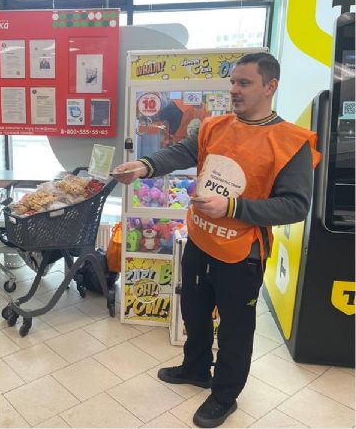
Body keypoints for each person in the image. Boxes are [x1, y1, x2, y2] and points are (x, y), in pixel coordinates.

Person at [112, 52, 320, 428]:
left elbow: (295, 206)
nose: (234, 90)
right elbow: (183, 151)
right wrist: (144, 166)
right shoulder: (214, 126)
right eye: (233, 82)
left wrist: (232, 207)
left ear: (270, 86)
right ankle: (195, 369)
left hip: (242, 255)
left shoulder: (292, 142)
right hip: (199, 241)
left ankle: (224, 396)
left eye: (245, 83)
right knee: (194, 312)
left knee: (235, 330)